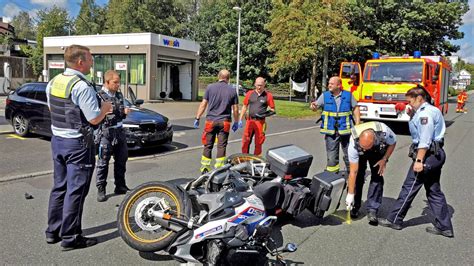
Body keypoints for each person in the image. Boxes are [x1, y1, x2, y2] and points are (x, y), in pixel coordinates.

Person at [45, 45, 113, 250]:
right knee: (76, 191)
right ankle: (71, 236)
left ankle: (53, 231)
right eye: (90, 59)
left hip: (58, 142)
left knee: (60, 187)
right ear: (80, 62)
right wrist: (106, 108)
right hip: (78, 145)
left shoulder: (55, 81)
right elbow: (93, 118)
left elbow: (53, 108)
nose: (92, 62)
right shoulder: (81, 87)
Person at [379, 86, 454, 238]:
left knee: (409, 187)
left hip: (427, 156)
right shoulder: (431, 110)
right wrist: (411, 113)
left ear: (419, 98)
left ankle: (395, 219)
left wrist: (419, 160)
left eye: (410, 101)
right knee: (434, 191)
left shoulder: (424, 115)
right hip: (436, 155)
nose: (408, 104)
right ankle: (445, 226)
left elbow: (425, 140)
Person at [345, 121, 397, 224]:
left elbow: (393, 143)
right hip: (358, 152)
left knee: (377, 176)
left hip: (376, 151)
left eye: (366, 148)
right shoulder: (353, 142)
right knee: (358, 176)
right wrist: (350, 194)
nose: (364, 150)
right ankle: (355, 205)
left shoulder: (384, 132)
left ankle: (372, 210)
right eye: (363, 147)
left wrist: (384, 159)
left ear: (374, 140)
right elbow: (353, 172)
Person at [310, 76, 360, 173]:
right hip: (331, 131)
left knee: (349, 154)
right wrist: (313, 106)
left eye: (331, 84)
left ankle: (352, 174)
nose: (329, 85)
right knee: (331, 156)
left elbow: (356, 108)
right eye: (329, 83)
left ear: (339, 85)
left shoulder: (348, 95)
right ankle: (333, 175)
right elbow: (315, 107)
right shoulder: (325, 96)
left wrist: (357, 124)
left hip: (346, 131)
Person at [95, 70, 132, 202]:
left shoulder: (119, 94)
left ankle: (120, 186)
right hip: (106, 132)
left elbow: (119, 112)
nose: (118, 85)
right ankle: (101, 188)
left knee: (122, 160)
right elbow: (101, 112)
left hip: (120, 131)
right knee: (103, 162)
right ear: (107, 82)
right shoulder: (99, 96)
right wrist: (121, 110)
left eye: (119, 82)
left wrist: (125, 112)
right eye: (115, 82)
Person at [194, 69, 239, 174]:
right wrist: (236, 122)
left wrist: (197, 117)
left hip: (211, 121)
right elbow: (236, 109)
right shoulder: (232, 90)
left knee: (208, 145)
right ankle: (219, 168)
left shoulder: (210, 88)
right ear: (228, 78)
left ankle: (205, 168)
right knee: (221, 146)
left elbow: (203, 104)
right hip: (225, 122)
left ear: (218, 76)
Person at [239, 77, 275, 156]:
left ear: (264, 85)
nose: (259, 87)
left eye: (261, 85)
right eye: (258, 85)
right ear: (255, 84)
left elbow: (272, 109)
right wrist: (240, 119)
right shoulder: (250, 93)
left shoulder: (268, 95)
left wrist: (265, 114)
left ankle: (257, 160)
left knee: (259, 142)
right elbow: (244, 106)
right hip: (250, 121)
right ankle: (244, 158)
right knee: (246, 140)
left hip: (260, 122)